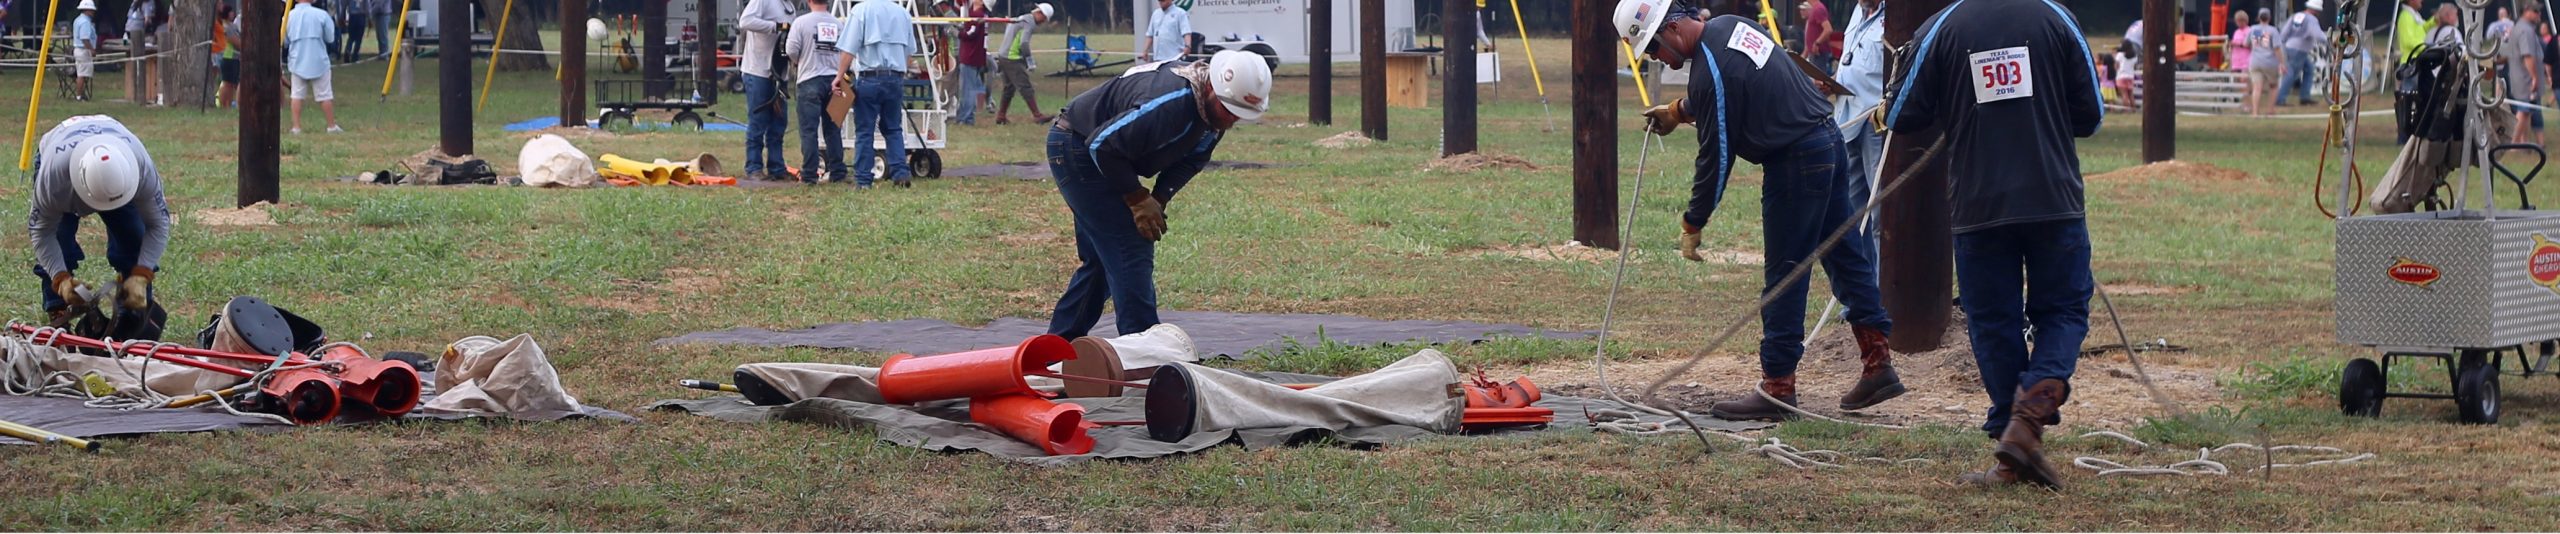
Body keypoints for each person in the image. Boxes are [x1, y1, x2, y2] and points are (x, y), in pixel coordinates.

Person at [1612, 0, 1905, 420]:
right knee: (1846, 258)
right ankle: (1878, 364)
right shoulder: (1732, 26)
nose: (1659, 60)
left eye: (1655, 50)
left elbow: (1716, 156)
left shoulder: (1708, 66)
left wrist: (1694, 220)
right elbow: (1739, 84)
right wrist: (1679, 111)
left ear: (1670, 31)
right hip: (1827, 144)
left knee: (1785, 275)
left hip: (1796, 163)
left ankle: (1777, 388)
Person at [1884, 0, 2104, 489]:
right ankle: (2026, 424)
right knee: (2065, 311)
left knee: (1993, 323)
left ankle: (2013, 449)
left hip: (1978, 205)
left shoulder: (1942, 25)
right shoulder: (2056, 17)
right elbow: (2091, 115)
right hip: (2053, 199)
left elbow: (1900, 113)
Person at [1043, 50, 1269, 339]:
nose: (1233, 119)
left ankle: (1057, 347)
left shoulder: (1215, 113)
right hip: (1076, 146)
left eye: (1240, 114)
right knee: (1130, 246)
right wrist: (1136, 197)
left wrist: (1159, 198)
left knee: (1103, 261)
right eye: (1230, 110)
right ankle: (1144, 349)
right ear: (1212, 88)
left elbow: (1192, 160)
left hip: (1103, 152)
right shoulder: (1169, 102)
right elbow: (1101, 145)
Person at [27, 116, 171, 330]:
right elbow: (41, 232)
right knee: (61, 239)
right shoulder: (54, 179)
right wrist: (60, 279)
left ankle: (132, 311)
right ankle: (58, 313)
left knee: (133, 236)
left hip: (116, 157)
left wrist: (142, 273)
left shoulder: (140, 169)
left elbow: (159, 224)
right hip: (59, 149)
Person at [838, 0, 918, 189]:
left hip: (869, 78)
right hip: (895, 79)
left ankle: (864, 179)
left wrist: (839, 76)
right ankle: (900, 173)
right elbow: (909, 53)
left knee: (865, 131)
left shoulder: (861, 10)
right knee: (893, 128)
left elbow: (848, 49)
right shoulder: (902, 13)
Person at [785, 0, 847, 185]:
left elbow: (791, 50)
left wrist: (800, 61)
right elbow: (846, 52)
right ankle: (838, 171)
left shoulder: (801, 22)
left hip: (809, 79)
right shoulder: (838, 24)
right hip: (835, 80)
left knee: (809, 131)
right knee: (833, 130)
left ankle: (810, 175)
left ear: (808, 1)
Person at [737, 0, 794, 182]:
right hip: (758, 70)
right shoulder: (762, 1)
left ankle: (777, 167)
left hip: (779, 72)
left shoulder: (789, 7)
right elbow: (745, 21)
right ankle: (753, 167)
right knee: (759, 120)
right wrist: (774, 26)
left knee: (779, 122)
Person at [1833, 0, 1886, 182]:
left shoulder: (1895, 15)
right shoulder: (1858, 10)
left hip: (1874, 119)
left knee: (1878, 194)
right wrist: (1830, 82)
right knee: (1851, 193)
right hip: (1847, 114)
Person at [993, 3, 1056, 125]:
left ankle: (1001, 116)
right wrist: (1029, 60)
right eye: (1044, 19)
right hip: (1012, 58)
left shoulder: (1022, 18)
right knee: (1025, 87)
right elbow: (1024, 43)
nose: (1043, 22)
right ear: (1039, 13)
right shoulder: (1029, 23)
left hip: (1003, 55)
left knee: (1009, 88)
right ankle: (1037, 115)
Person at [286, 0, 342, 133]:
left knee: (296, 94)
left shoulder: (288, 16)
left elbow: (285, 40)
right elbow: (330, 38)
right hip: (318, 60)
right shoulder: (322, 15)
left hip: (297, 60)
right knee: (325, 94)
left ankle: (296, 127)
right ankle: (331, 125)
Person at [2394, 0, 2431, 143]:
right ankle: (2403, 134)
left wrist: (2433, 22)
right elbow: (2409, 40)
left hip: (2417, 61)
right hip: (2410, 63)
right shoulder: (2405, 17)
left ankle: (2410, 132)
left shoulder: (2414, 16)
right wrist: (2427, 47)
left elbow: (2421, 31)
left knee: (2414, 99)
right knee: (2407, 100)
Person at [2275, 0, 2324, 106]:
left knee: (2309, 69)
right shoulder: (2312, 19)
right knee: (2290, 74)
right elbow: (2317, 34)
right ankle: (2280, 99)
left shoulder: (2296, 16)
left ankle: (2305, 97)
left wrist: (2282, 43)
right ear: (2316, 10)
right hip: (2300, 50)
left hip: (2290, 47)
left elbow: (2284, 32)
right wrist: (2328, 41)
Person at [954, 0, 991, 126]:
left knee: (967, 89)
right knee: (971, 88)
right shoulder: (979, 14)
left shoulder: (978, 14)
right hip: (976, 55)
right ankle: (967, 117)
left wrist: (955, 32)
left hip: (970, 56)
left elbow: (970, 34)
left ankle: (965, 118)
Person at [2512, 9, 2545, 144]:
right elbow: (2528, 56)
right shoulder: (2525, 31)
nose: (2539, 15)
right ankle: (2513, 144)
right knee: (2524, 111)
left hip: (2525, 79)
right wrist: (2534, 77)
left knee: (2528, 112)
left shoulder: (2526, 29)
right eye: (2536, 12)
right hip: (2525, 80)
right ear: (2527, 12)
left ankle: (2524, 142)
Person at [2247, 12, 2280, 116]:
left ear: (2258, 18)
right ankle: (2270, 110)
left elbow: (2246, 43)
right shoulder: (2273, 30)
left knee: (2257, 87)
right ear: (2269, 18)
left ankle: (2255, 112)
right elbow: (2277, 48)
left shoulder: (2253, 29)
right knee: (2273, 86)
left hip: (2255, 61)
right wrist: (2282, 62)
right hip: (2270, 62)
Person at [1800, 0, 1838, 75]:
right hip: (1814, 54)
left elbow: (1828, 29)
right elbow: (1811, 34)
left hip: (1819, 54)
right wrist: (1805, 53)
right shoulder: (1814, 9)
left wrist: (1817, 43)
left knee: (1818, 79)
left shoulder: (1818, 9)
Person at [217, 4, 242, 108]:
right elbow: (235, 41)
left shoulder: (232, 25)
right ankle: (223, 104)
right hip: (228, 57)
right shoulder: (226, 27)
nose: (233, 13)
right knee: (227, 83)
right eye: (231, 11)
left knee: (232, 84)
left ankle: (229, 103)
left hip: (235, 58)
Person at [71, 0, 97, 102]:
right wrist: (92, 49)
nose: (93, 12)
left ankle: (81, 94)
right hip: (83, 50)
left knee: (82, 73)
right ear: (88, 10)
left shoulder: (78, 20)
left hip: (78, 49)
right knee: (82, 74)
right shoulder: (85, 22)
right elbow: (85, 38)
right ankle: (79, 96)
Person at [2112, 41, 2139, 109]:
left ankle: (2126, 109)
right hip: (2130, 76)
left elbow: (2116, 66)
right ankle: (2133, 108)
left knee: (2124, 94)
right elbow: (2134, 65)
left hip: (2121, 76)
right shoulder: (2134, 56)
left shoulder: (2120, 55)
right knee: (2130, 94)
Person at [2228, 11, 2252, 76]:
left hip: (2246, 60)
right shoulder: (2236, 32)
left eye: (2241, 21)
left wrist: (2239, 44)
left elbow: (2252, 45)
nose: (2239, 23)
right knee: (2235, 79)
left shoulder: (2250, 31)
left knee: (2244, 80)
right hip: (2235, 60)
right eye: (2237, 21)